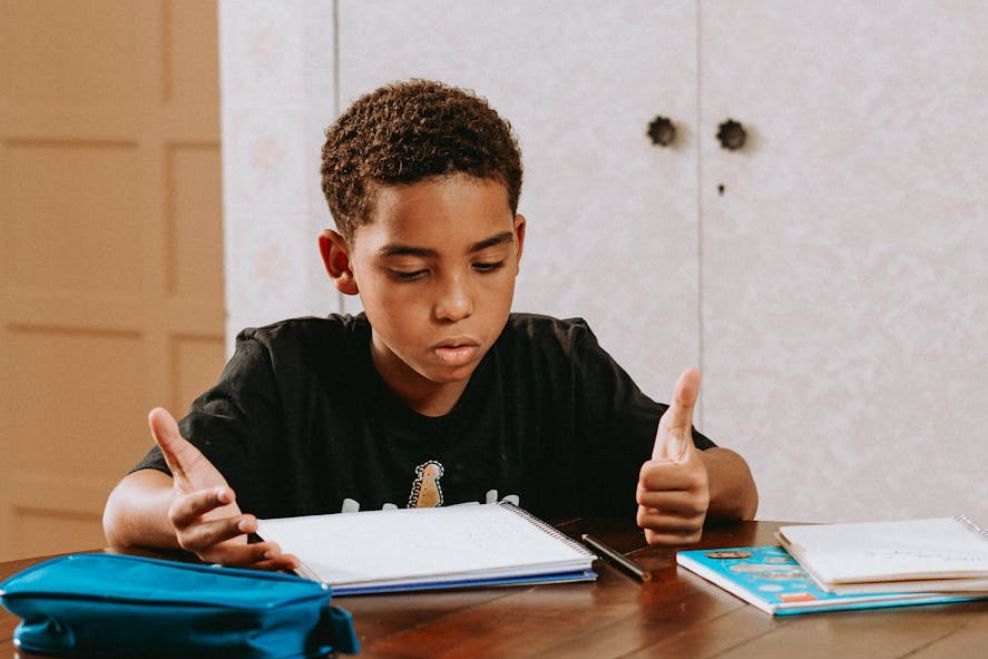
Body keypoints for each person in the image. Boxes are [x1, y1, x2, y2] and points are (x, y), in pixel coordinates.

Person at [102, 79, 757, 571]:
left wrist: (697, 483)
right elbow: (126, 508)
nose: (455, 304)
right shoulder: (287, 368)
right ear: (342, 262)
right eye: (412, 271)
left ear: (518, 245)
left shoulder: (556, 363)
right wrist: (180, 516)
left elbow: (735, 484)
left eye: (487, 262)